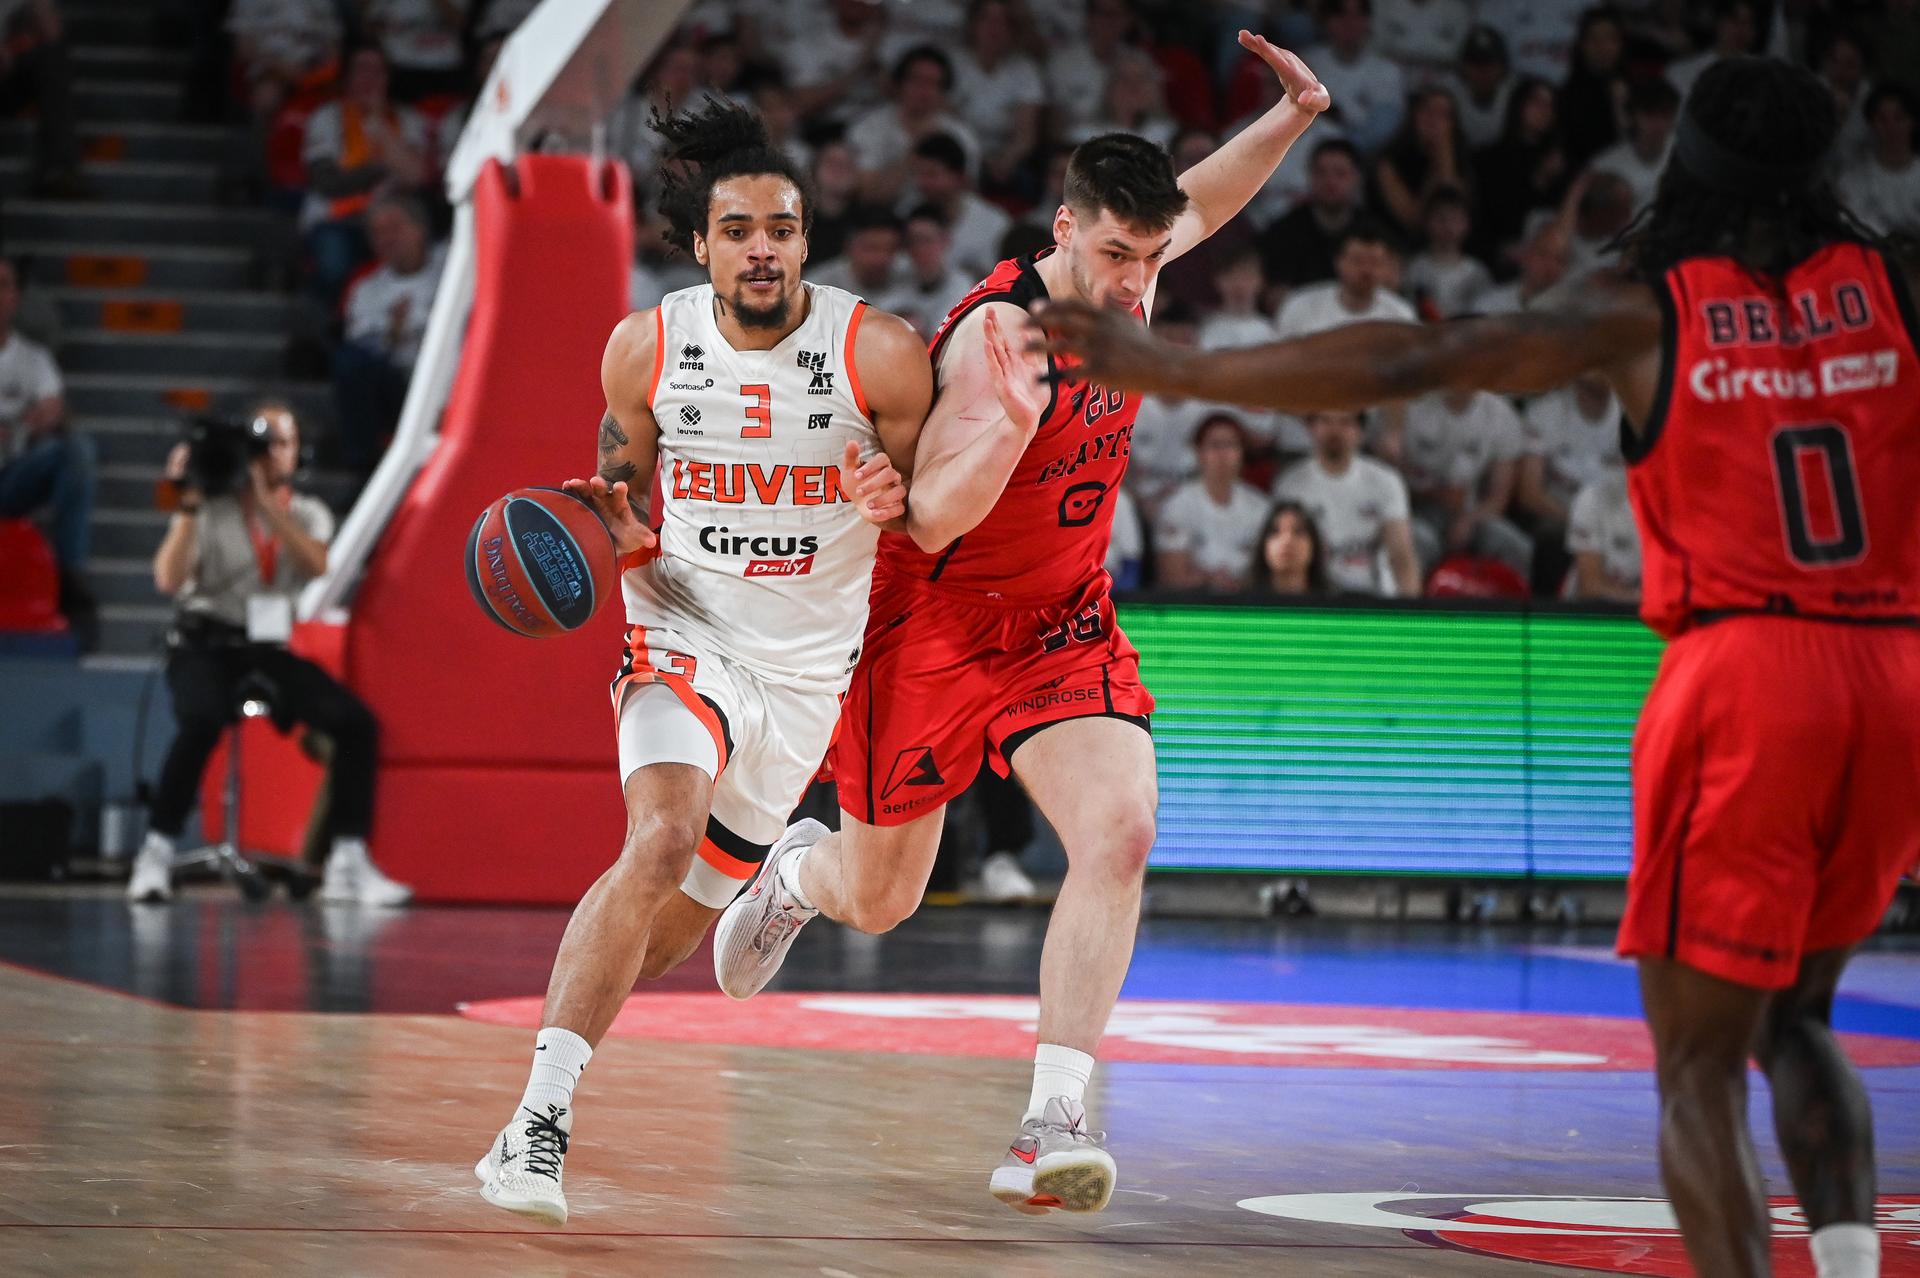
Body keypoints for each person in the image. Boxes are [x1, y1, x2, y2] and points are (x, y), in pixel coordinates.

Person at [1031, 55, 1920, 1278]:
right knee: (1801, 1019)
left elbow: (1409, 365)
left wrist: (1177, 371)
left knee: (1702, 1065)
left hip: (1749, 669)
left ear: (1690, 167)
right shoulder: (1897, 282)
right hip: (1896, 675)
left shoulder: (1648, 297)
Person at [709, 33, 1331, 1217]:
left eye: (1152, 258)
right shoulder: (1004, 340)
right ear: (1061, 233)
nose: (1141, 282)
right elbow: (934, 523)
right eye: (1116, 254)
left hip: (1062, 619)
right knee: (881, 898)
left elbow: (1198, 200)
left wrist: (1293, 115)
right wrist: (1004, 428)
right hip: (935, 626)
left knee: (1122, 828)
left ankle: (1053, 1120)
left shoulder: (1128, 271)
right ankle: (800, 871)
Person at [472, 99, 927, 1228]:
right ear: (702, 244)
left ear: (807, 240)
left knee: (676, 930)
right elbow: (622, 511)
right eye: (738, 229)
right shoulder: (647, 346)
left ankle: (781, 882)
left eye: (781, 226)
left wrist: (902, 501)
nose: (761, 246)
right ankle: (535, 1123)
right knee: (660, 835)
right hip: (683, 628)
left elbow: (938, 528)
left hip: (809, 676)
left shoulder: (880, 352)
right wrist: (615, 541)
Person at [127, 402, 408, 907]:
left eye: (282, 443)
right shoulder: (209, 508)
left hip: (267, 647)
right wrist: (188, 499)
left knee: (355, 723)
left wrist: (264, 502)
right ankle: (156, 851)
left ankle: (347, 860)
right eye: (263, 443)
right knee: (202, 719)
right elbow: (168, 579)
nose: (270, 454)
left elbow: (316, 563)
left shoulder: (306, 512)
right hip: (205, 643)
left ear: (297, 452)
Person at [0, 258, 94, 636]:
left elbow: (59, 412)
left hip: (13, 476)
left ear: (16, 296)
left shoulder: (33, 359)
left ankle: (70, 573)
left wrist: (53, 415)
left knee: (78, 449)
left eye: (4, 284)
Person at [300, 45, 430, 304]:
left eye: (377, 71)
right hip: (338, 218)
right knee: (333, 263)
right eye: (362, 69)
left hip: (394, 219)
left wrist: (379, 125)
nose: (369, 78)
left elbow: (417, 178)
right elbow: (328, 183)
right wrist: (384, 169)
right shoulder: (325, 118)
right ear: (347, 77)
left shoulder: (408, 119)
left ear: (387, 78)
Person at [332, 194, 445, 474]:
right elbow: (361, 348)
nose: (386, 238)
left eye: (394, 227)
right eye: (377, 232)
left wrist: (405, 324)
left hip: (446, 383)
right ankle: (363, 466)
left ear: (420, 229)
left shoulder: (451, 275)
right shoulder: (366, 289)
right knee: (351, 365)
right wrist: (395, 332)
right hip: (396, 387)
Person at [1271, 409, 1420, 595]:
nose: (1335, 431)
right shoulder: (1290, 485)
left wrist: (1409, 607)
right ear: (1310, 428)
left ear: (1360, 431)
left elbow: (1401, 555)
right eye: (1325, 421)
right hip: (1315, 599)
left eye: (1345, 422)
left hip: (1372, 597)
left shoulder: (1386, 481)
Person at [1154, 414, 1268, 592]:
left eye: (1230, 445)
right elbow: (1172, 576)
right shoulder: (1178, 505)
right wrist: (1210, 580)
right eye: (1214, 445)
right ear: (1198, 452)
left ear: (1242, 453)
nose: (1223, 454)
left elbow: (1268, 574)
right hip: (1193, 605)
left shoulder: (1260, 507)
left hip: (1248, 604)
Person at [1838, 85, 1920, 238]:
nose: (1891, 128)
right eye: (1882, 120)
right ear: (1872, 124)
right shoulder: (1853, 178)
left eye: (1899, 118)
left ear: (1913, 122)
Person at [1565, 461, 1640, 603]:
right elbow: (1590, 587)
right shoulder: (1593, 498)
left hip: (1654, 616)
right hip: (1592, 616)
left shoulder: (1683, 505)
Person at [1248, 500, 1327, 594]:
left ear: (1314, 545)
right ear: (1263, 546)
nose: (1287, 541)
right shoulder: (1241, 605)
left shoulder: (1335, 605)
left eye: (1298, 531)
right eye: (1275, 531)